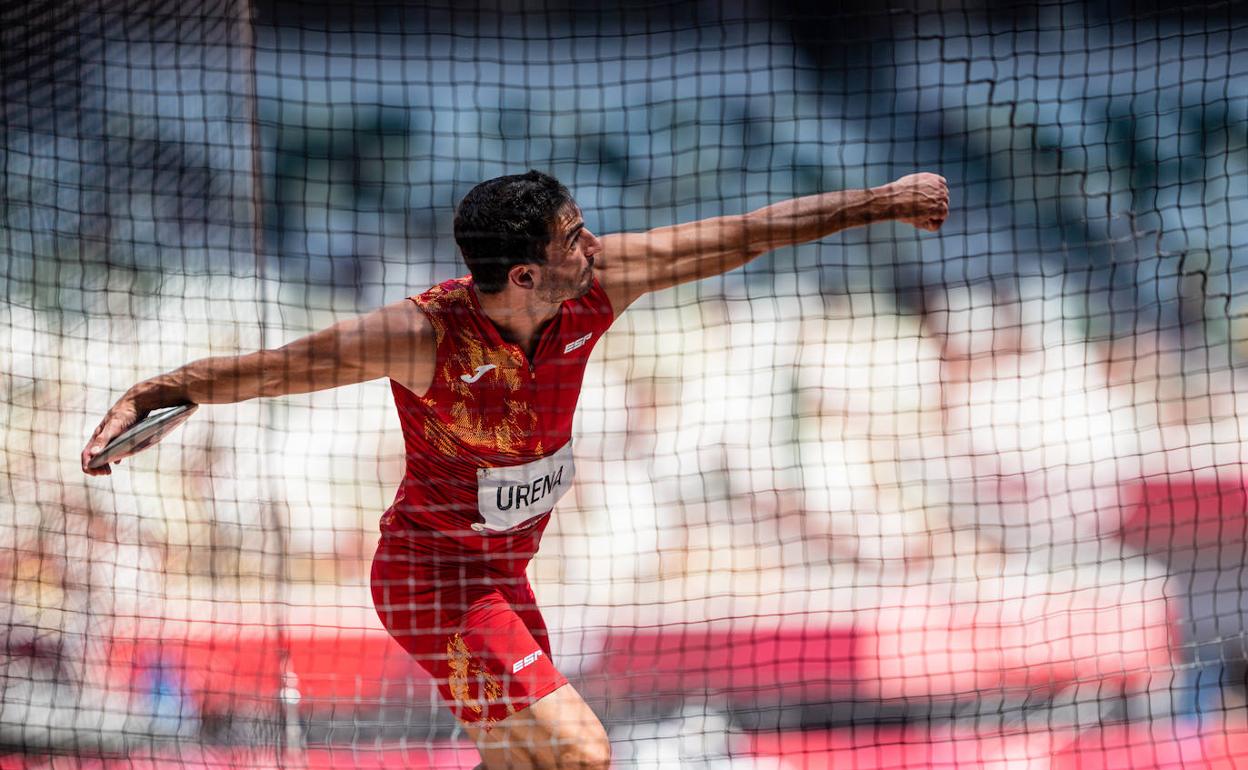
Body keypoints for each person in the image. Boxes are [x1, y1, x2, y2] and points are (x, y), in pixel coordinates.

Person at [82, 169, 949, 769]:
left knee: (531, 764)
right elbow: (280, 366)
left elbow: (743, 236)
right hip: (432, 580)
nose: (596, 243)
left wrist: (882, 203)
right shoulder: (423, 334)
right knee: (583, 751)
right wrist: (159, 390)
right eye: (577, 235)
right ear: (527, 271)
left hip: (504, 577)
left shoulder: (597, 287)